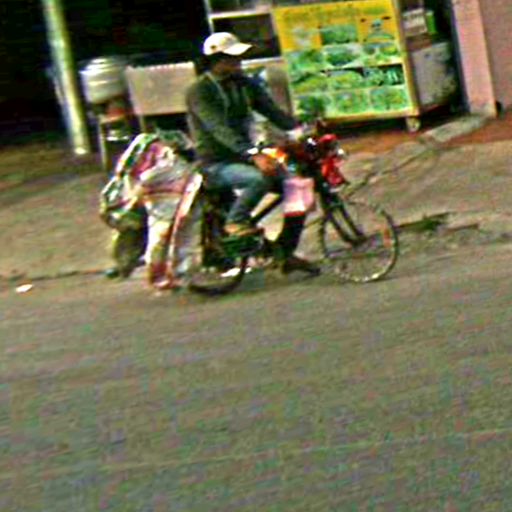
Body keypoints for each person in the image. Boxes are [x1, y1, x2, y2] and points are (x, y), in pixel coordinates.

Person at [186, 32, 320, 276]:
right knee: (258, 179)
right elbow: (219, 129)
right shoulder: (200, 91)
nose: (238, 62)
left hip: (243, 155)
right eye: (231, 58)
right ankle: (235, 221)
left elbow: (272, 111)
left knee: (299, 186)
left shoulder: (244, 84)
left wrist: (300, 130)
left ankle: (284, 251)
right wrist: (252, 154)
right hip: (215, 163)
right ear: (216, 60)